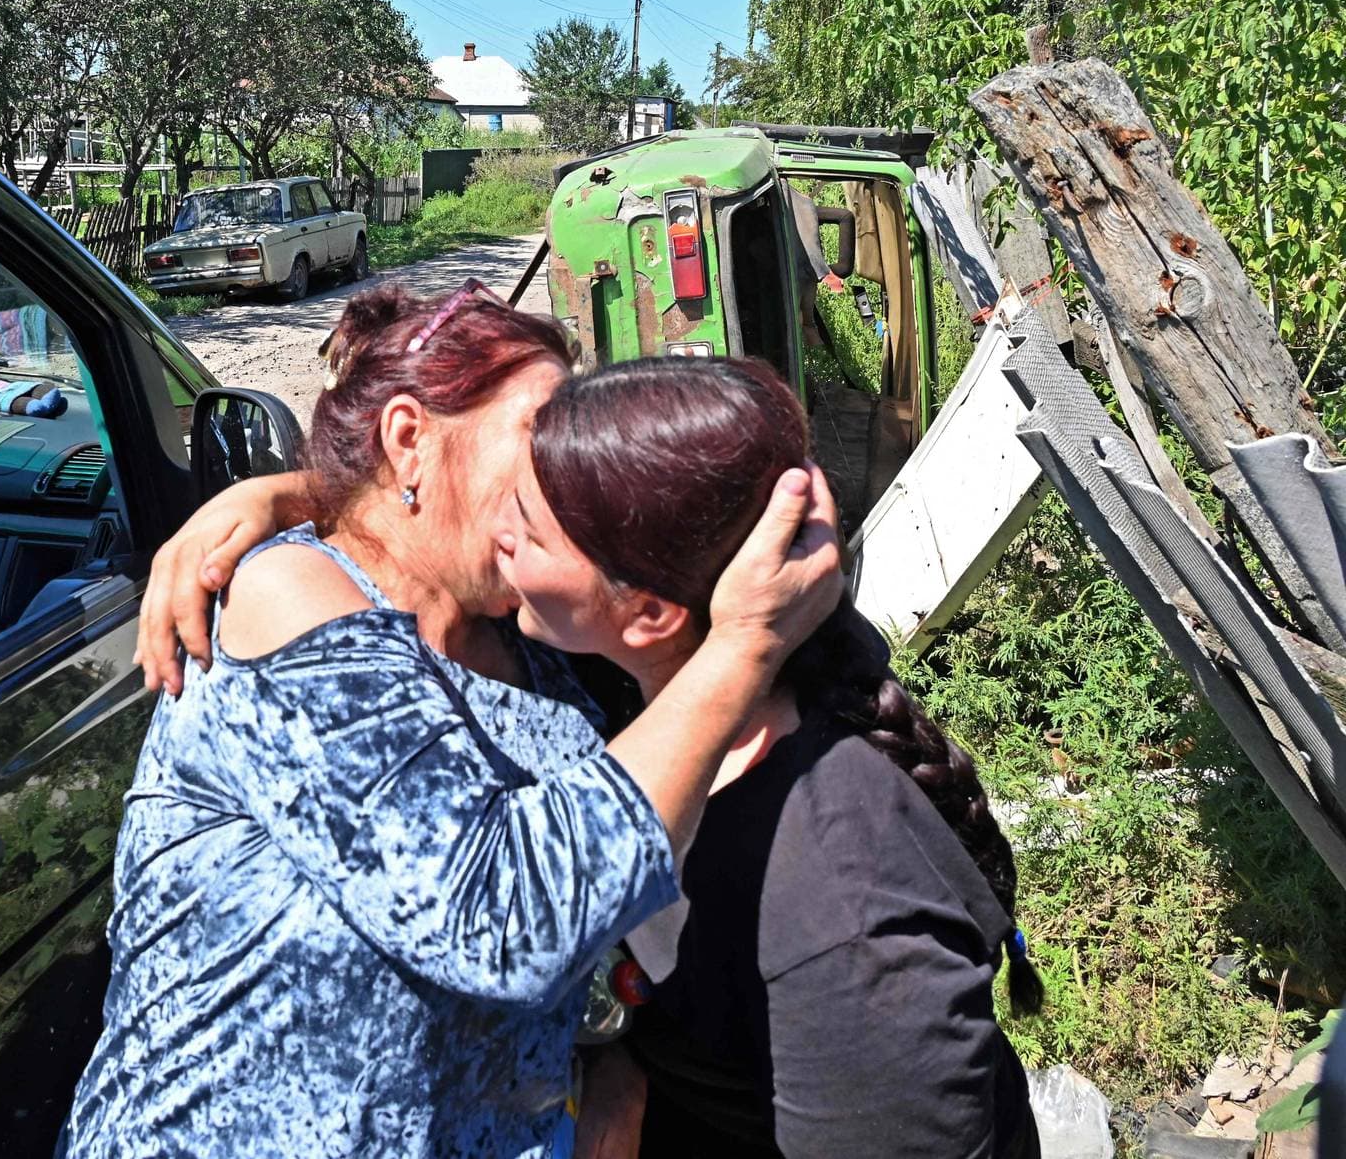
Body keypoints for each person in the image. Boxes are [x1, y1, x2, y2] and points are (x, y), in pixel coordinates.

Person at [141, 352, 1041, 1159]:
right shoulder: (623, 684)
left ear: (648, 612)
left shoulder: (838, 903)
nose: (498, 531)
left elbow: (512, 915)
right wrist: (289, 496)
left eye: (529, 523)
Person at [61, 283, 844, 1159]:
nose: (569, 474)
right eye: (540, 439)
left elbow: (615, 874)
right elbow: (500, 912)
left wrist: (616, 1086)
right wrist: (743, 646)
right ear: (408, 440)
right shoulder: (282, 602)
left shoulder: (533, 643)